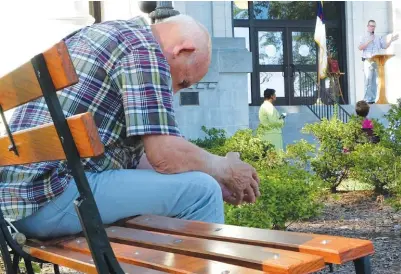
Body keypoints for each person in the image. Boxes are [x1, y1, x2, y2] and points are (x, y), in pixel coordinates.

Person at [0, 15, 260, 239]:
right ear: (183, 49)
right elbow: (164, 155)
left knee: (201, 185)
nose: (174, 92)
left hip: (20, 200)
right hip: (51, 198)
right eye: (182, 82)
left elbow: (148, 160)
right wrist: (223, 168)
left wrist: (214, 175)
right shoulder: (143, 49)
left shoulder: (104, 34)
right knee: (201, 193)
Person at [358, 19, 399, 104]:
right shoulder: (363, 37)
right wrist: (369, 40)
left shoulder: (378, 37)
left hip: (377, 61)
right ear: (368, 26)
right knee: (368, 80)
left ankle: (372, 99)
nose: (372, 28)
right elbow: (360, 47)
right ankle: (366, 99)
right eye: (371, 26)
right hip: (368, 60)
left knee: (375, 81)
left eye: (374, 26)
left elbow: (384, 46)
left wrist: (391, 40)